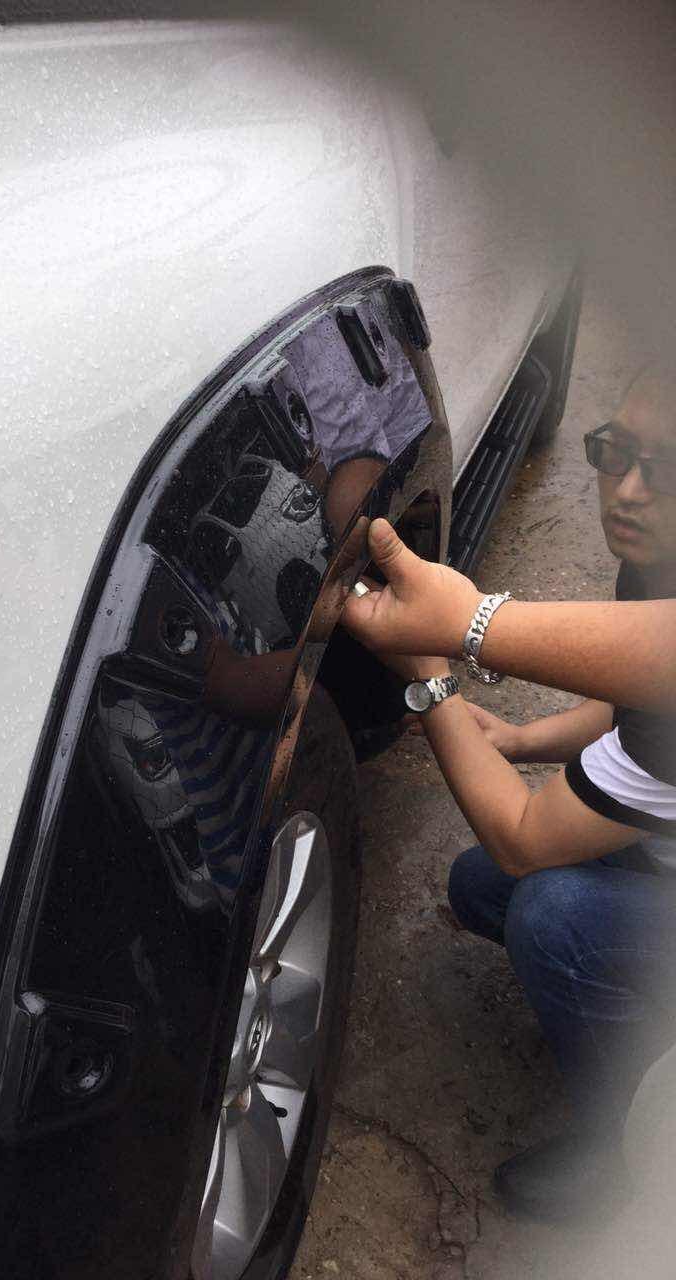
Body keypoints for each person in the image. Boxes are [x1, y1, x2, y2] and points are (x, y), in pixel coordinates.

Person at [341, 365, 676, 1221]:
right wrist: (517, 738)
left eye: (668, 468)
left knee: (550, 914)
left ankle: (626, 1148)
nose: (629, 490)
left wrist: (432, 673)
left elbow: (524, 833)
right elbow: (631, 690)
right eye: (616, 451)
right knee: (477, 889)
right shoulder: (656, 567)